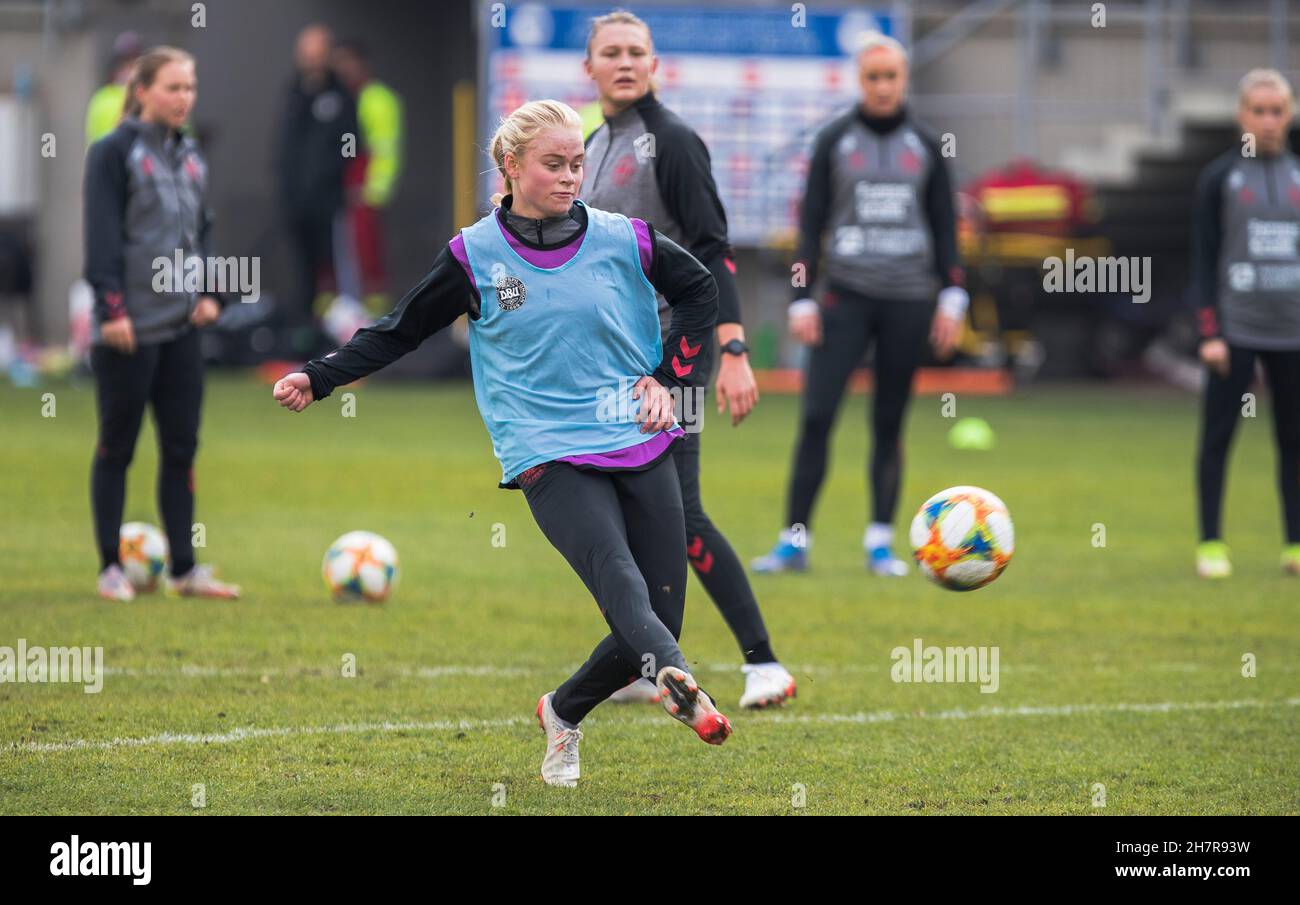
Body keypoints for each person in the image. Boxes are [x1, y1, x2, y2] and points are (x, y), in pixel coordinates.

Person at [272, 100, 731, 787]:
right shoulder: (474, 255)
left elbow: (701, 291)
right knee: (617, 572)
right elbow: (400, 328)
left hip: (636, 433)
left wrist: (671, 376)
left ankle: (563, 708)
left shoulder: (623, 237)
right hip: (543, 446)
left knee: (660, 610)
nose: (570, 177)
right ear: (511, 166)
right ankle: (676, 674)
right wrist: (319, 376)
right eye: (553, 164)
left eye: (578, 163)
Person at [579, 9, 794, 709]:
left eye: (636, 51)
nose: (624, 62)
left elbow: (711, 250)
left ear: (655, 65)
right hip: (621, 357)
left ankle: (763, 662)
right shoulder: (596, 142)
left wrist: (732, 348)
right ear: (589, 68)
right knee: (635, 505)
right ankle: (649, 660)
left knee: (683, 511)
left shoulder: (671, 141)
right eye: (610, 52)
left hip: (681, 351)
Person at [752, 32, 966, 577]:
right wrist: (801, 296)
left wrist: (953, 294)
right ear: (859, 81)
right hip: (843, 299)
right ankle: (793, 542)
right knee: (819, 416)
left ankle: (879, 543)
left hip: (909, 300)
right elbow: (809, 225)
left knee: (888, 422)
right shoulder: (833, 140)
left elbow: (945, 228)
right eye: (873, 77)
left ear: (904, 79)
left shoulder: (926, 143)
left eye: (891, 76)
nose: (882, 86)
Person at [84, 46, 240, 602]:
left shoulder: (191, 154)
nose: (184, 99)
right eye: (173, 88)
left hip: (181, 329)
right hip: (130, 330)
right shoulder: (113, 153)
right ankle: (109, 568)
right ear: (143, 89)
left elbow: (205, 230)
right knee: (117, 447)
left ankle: (184, 570)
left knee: (181, 448)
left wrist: (214, 295)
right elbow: (101, 237)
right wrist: (112, 309)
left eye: (190, 88)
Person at [1192, 68, 1300, 578]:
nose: (1269, 121)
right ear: (1242, 116)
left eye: (1277, 111)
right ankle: (1211, 542)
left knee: (1293, 440)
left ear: (1290, 114)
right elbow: (1202, 260)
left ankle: (1295, 545)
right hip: (1234, 331)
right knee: (1218, 437)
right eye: (1259, 111)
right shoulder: (1219, 178)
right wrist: (1210, 331)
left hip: (1292, 332)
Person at [277, 24, 358, 335]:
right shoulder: (293, 92)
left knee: (335, 271)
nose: (310, 59)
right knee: (301, 272)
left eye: (317, 52)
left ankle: (342, 334)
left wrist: (328, 176)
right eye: (306, 53)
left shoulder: (340, 95)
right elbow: (285, 147)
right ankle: (302, 333)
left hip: (328, 204)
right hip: (295, 204)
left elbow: (352, 143)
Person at [331, 39, 404, 312]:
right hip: (346, 185)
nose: (342, 68)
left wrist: (374, 189)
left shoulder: (377, 99)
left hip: (366, 187)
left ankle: (374, 314)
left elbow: (385, 149)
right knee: (344, 250)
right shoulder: (340, 97)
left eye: (347, 61)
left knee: (367, 251)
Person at [85, 32, 142, 146]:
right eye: (126, 64)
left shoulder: (147, 97)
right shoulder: (103, 99)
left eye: (134, 64)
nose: (130, 70)